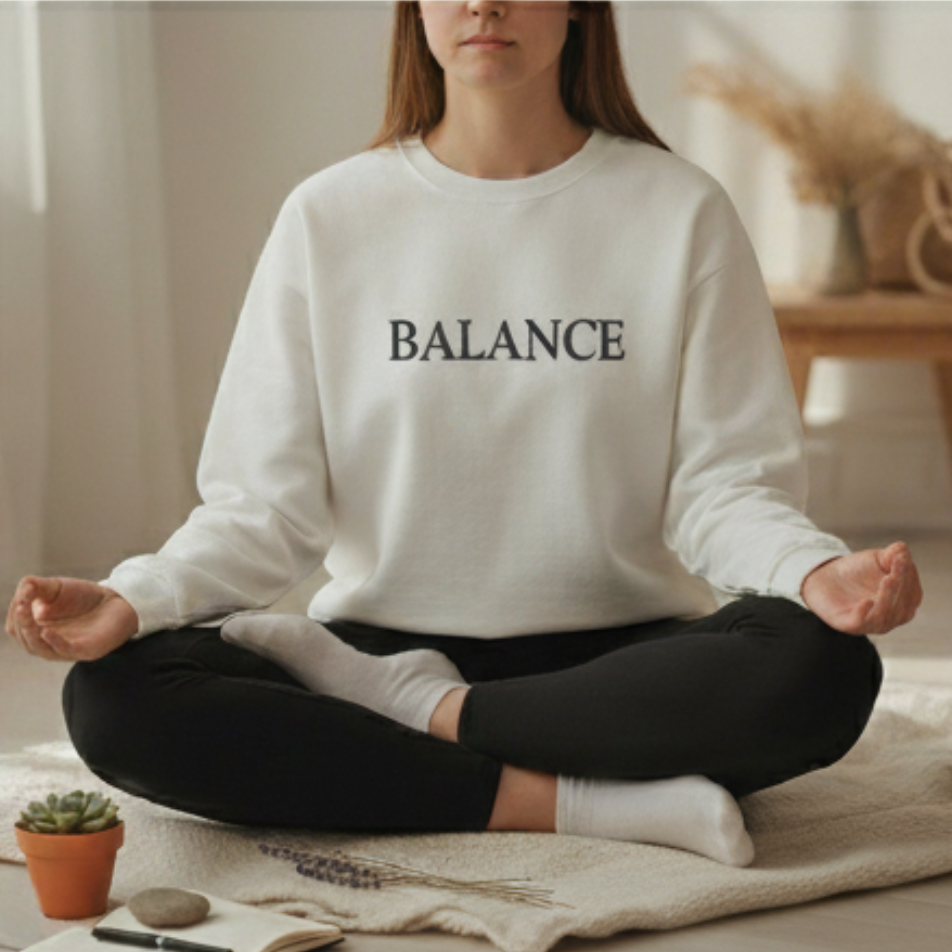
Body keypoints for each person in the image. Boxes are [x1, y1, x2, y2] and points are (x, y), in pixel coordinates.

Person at [5, 1, 922, 868]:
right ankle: (570, 798)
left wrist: (811, 570)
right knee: (117, 696)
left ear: (578, 7)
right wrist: (138, 596)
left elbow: (724, 487)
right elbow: (261, 511)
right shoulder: (330, 217)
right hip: (371, 649)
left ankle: (434, 724)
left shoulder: (679, 209)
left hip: (616, 665)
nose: (485, 3)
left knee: (822, 666)